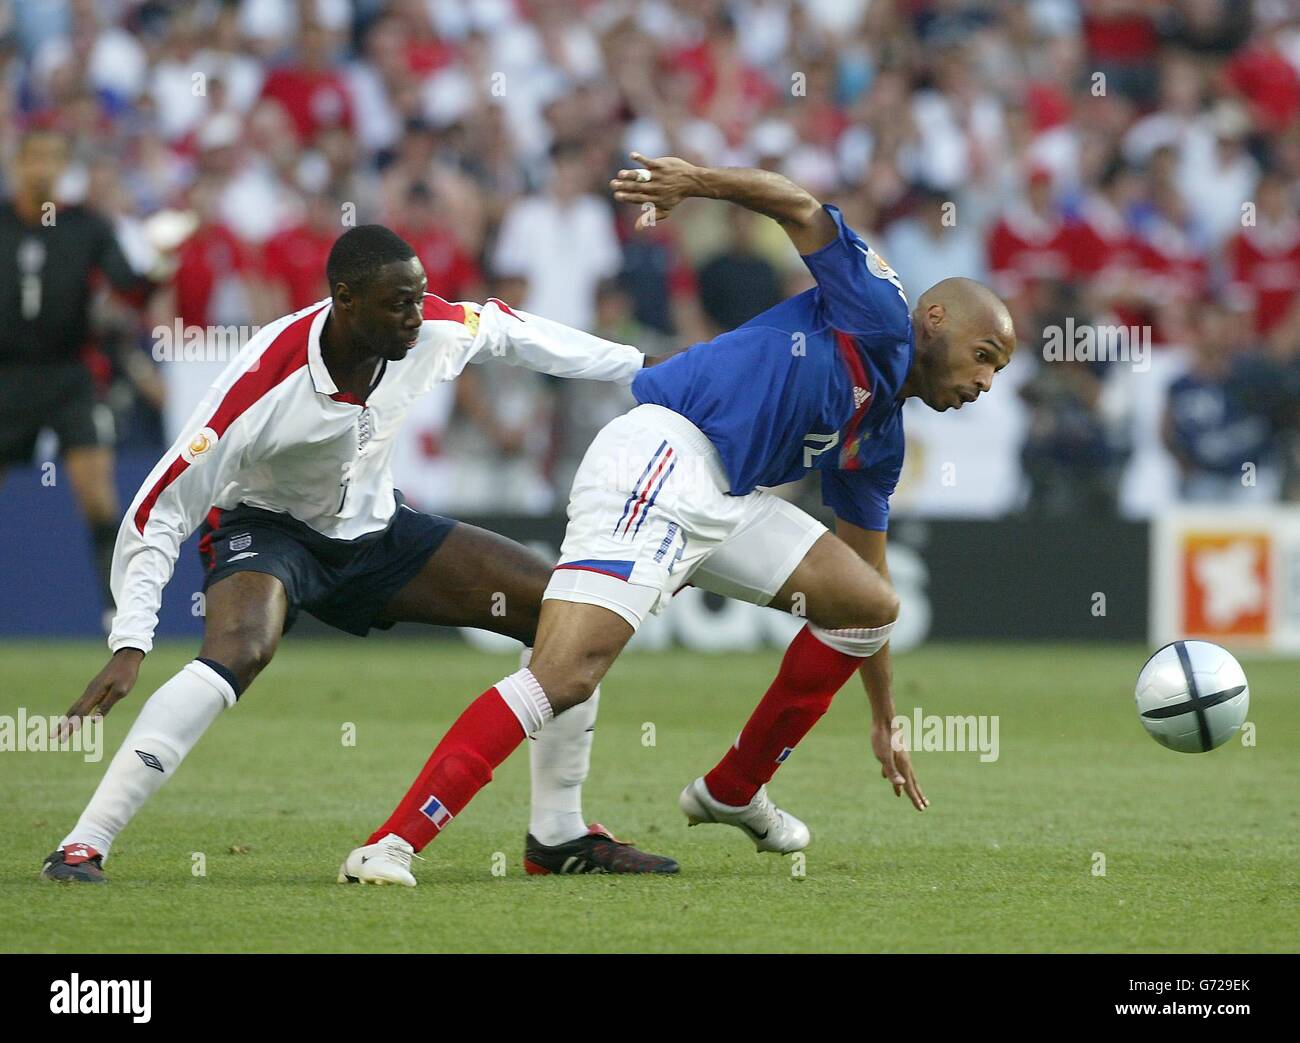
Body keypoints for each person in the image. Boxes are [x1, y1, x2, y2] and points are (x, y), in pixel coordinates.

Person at [342, 156, 1015, 880]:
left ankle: (731, 788)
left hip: (727, 499)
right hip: (663, 458)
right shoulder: (880, 310)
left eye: (996, 371)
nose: (982, 382)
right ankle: (391, 843)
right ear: (936, 319)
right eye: (983, 356)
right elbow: (798, 206)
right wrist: (696, 181)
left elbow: (869, 577)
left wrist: (885, 716)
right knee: (565, 671)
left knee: (870, 604)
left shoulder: (878, 437)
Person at [42, 225, 677, 885]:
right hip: (269, 529)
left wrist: (639, 365)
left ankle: (558, 835)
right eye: (397, 303)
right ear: (344, 299)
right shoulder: (265, 380)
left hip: (377, 533)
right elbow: (160, 504)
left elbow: (511, 331)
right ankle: (83, 844)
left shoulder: (428, 329)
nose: (414, 315)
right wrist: (133, 636)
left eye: (419, 298)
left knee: (562, 612)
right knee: (241, 648)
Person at [0, 129, 156, 627]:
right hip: (6, 376)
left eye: (52, 157)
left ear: (65, 168)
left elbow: (129, 289)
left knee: (96, 494)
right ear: (16, 165)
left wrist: (160, 266)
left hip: (70, 374)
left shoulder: (87, 227)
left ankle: (118, 611)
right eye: (33, 157)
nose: (41, 168)